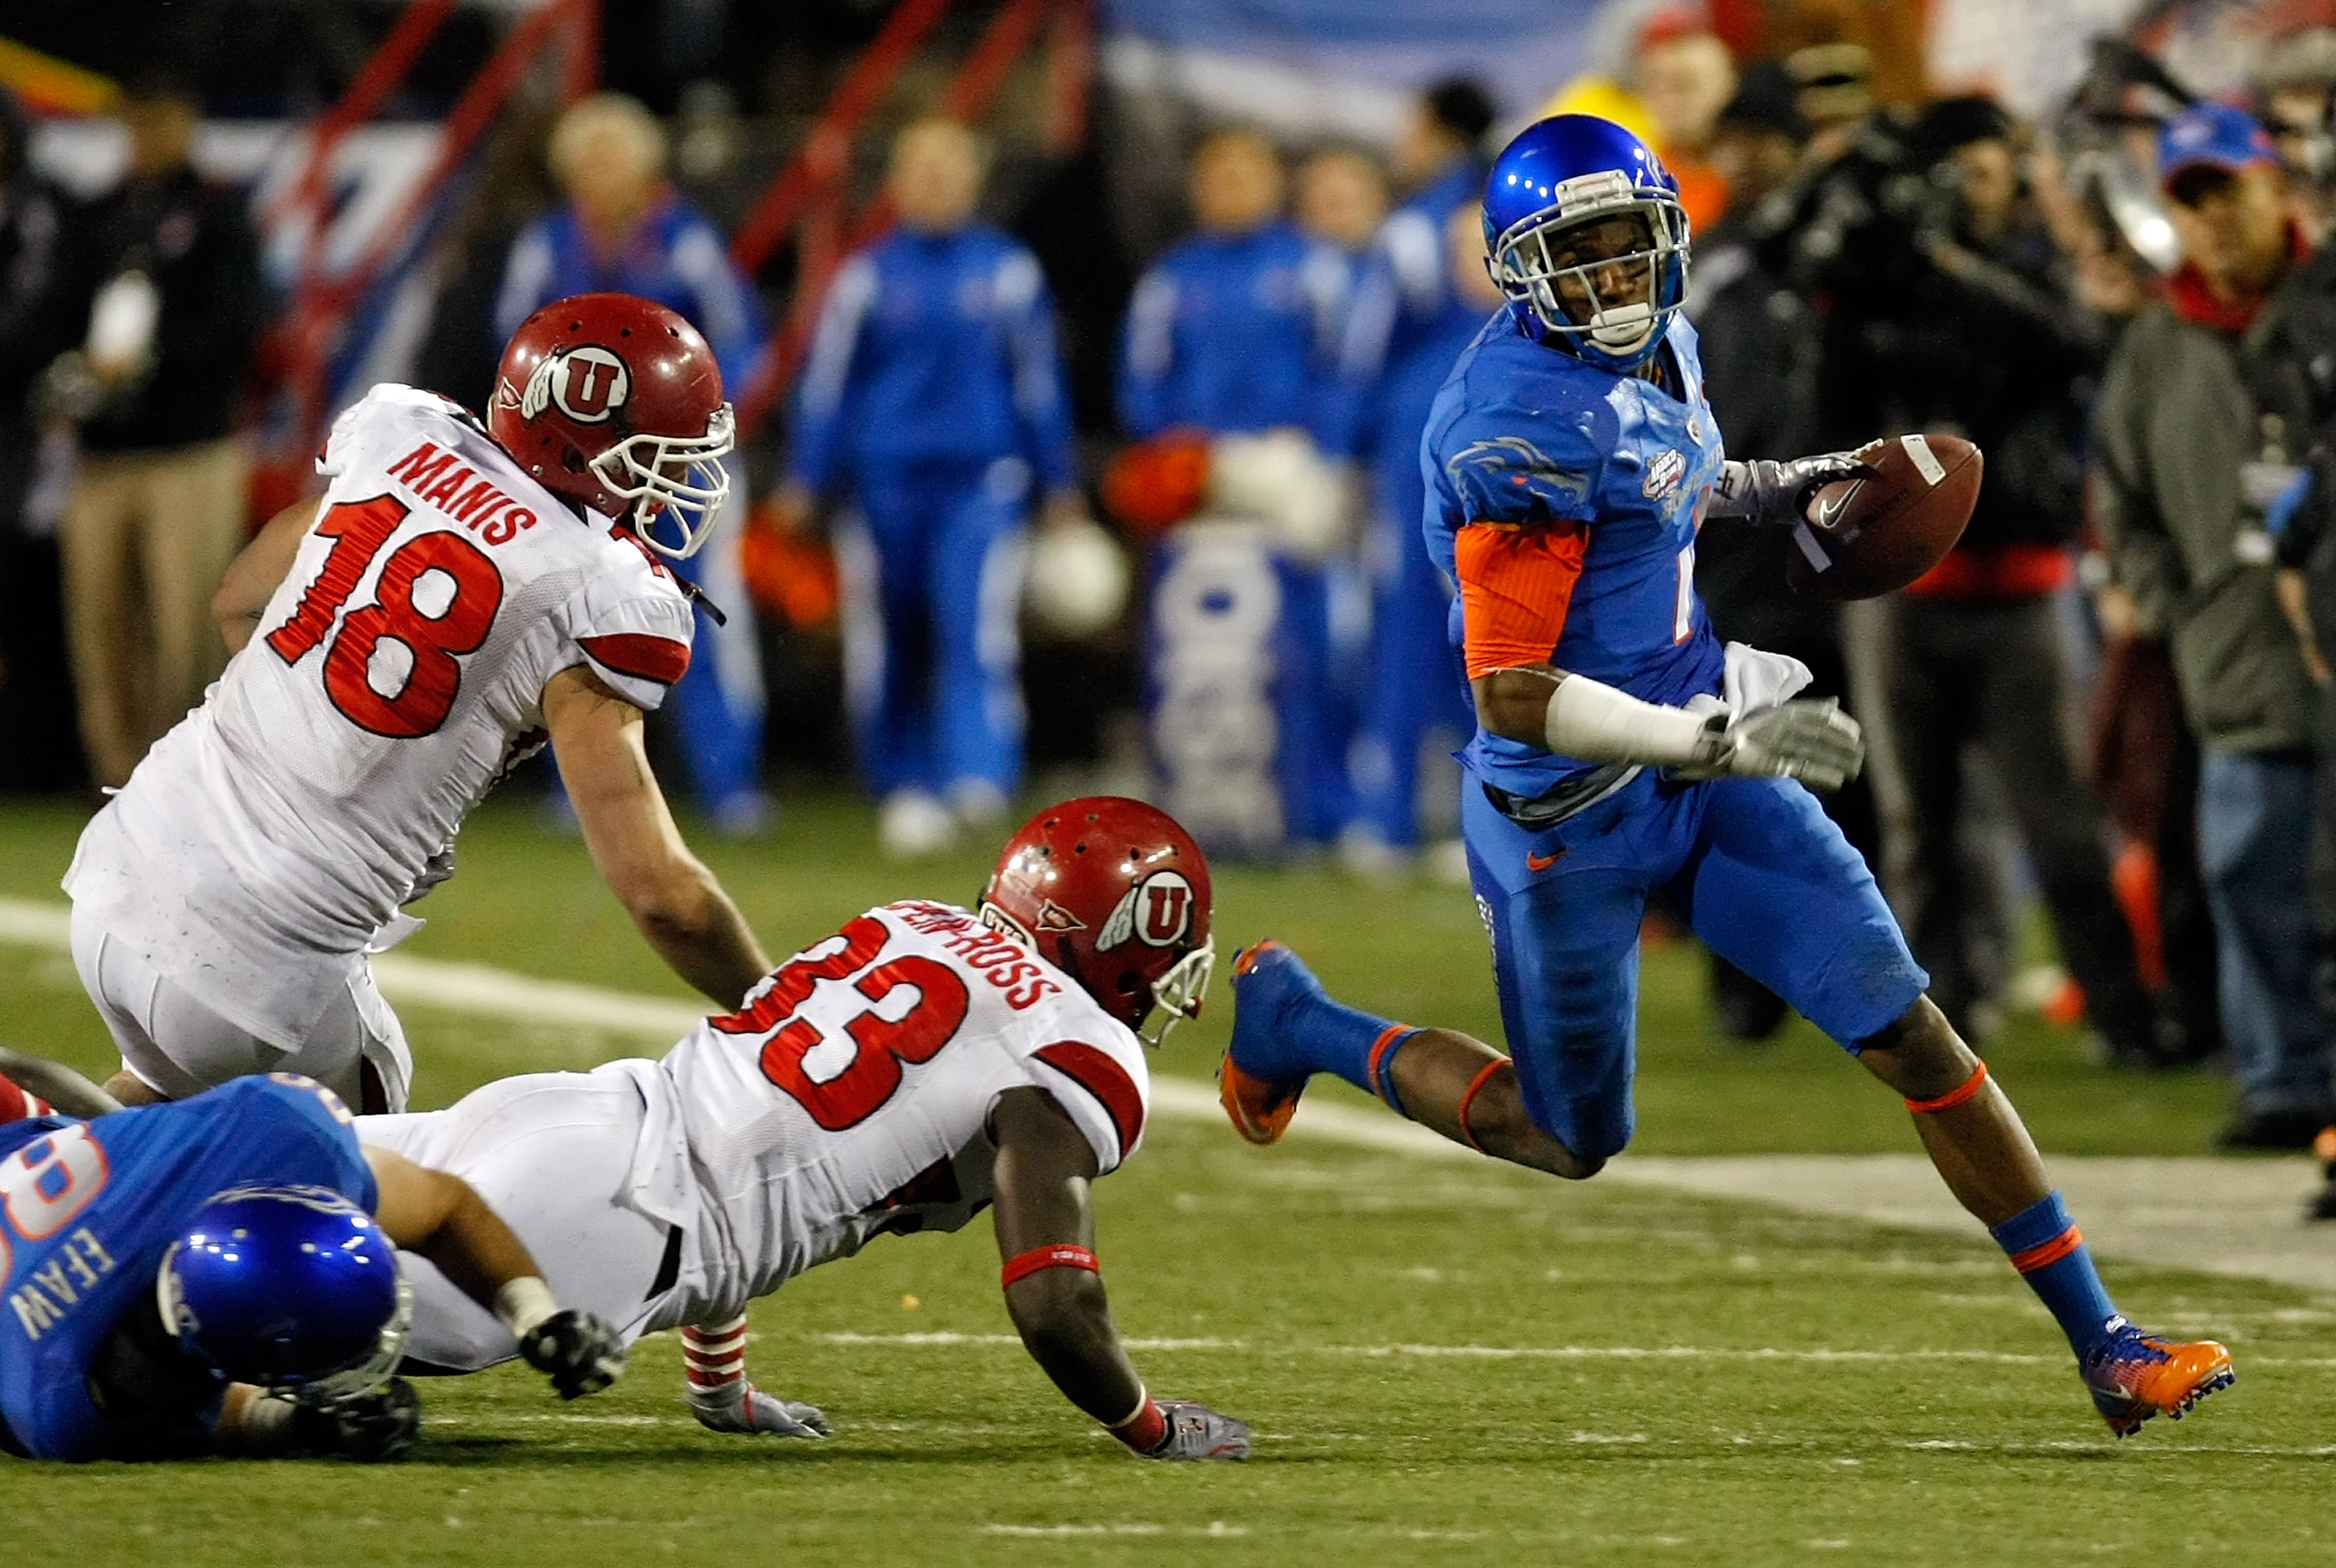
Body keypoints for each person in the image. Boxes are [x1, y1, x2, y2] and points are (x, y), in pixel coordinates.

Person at [1217, 115, 2235, 1438]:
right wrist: (1707, 737)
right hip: (1566, 815)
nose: (1614, 278)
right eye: (1576, 256)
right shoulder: (1510, 426)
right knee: (1571, 1132)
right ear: (1520, 269)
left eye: (1629, 244)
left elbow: (1677, 480)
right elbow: (1510, 689)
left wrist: (1795, 485)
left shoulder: (1662, 339)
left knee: (1912, 1028)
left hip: (1710, 764)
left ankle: (2107, 1337)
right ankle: (1298, 1019)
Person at [356, 796, 1248, 1461]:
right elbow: (1053, 1303)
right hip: (600, 1221)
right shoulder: (1074, 1045)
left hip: (568, 1112)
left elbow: (754, 1125)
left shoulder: (915, 923)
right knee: (263, 1333)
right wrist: (1153, 1427)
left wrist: (720, 1384)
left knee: (256, 1184)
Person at [63, 294, 772, 1118]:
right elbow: (663, 897)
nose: (683, 475)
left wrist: (318, 734)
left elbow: (239, 603)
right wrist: (777, 1007)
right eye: (665, 452)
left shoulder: (407, 443)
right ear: (591, 442)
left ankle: (35, 1174)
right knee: (385, 1199)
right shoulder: (595, 588)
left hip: (123, 867)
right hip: (256, 959)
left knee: (153, 1107)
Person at [1852, 98, 2165, 1068]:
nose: (1973, 191)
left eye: (1984, 170)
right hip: (1906, 591)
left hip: (2022, 584)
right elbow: (1842, 386)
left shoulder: (2033, 266)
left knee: (2062, 819)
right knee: (1919, 828)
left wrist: (1948, 265)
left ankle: (2121, 1013)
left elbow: (2065, 341)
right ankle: (1941, 1017)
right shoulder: (1886, 273)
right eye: (1957, 173)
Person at [2094, 102, 2332, 1148]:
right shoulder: (2156, 343)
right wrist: (2167, 600)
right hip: (2230, 644)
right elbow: (2122, 490)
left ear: (2277, 186)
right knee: (2247, 871)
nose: (2215, 221)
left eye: (2229, 192)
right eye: (2192, 202)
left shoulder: (2323, 308)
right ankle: (2282, 1082)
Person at [0, 1069, 623, 1461]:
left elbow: (442, 1206)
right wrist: (300, 1425)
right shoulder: (61, 1399)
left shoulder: (280, 1144)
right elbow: (199, 1413)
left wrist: (536, 1315)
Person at [782, 118, 1083, 860]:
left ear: (974, 180)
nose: (936, 183)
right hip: (883, 485)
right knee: (887, 639)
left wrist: (1061, 480)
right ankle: (901, 784)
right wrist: (805, 478)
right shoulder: (866, 275)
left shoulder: (1008, 271)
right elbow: (827, 387)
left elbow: (1038, 382)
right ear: (898, 183)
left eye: (950, 169)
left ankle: (978, 779)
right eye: (921, 169)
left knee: (974, 627)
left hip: (982, 482)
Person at [496, 92, 771, 835]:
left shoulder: (686, 241)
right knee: (571, 624)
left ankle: (730, 783)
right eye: (590, 155)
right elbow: (514, 353)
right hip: (579, 470)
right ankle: (578, 786)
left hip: (679, 465)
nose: (603, 169)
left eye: (616, 153)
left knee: (709, 614)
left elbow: (742, 338)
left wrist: (707, 420)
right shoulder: (548, 244)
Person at [1681, 62, 1877, 1041]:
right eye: (1733, 144)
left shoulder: (1839, 257)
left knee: (1853, 768)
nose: (1745, 162)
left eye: (1762, 143)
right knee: (1743, 761)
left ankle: (1871, 973)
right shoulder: (1707, 260)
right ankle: (1746, 990)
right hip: (1735, 551)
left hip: (1838, 542)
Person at [1121, 128, 1353, 847]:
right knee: (1192, 647)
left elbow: (1345, 366)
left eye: (1246, 174)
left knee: (1305, 648)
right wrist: (1178, 453)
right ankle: (1193, 807)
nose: (1232, 189)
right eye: (1218, 176)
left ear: (1272, 183)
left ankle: (1310, 811)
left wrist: (1313, 447)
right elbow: (1140, 379)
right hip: (1201, 490)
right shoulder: (1173, 278)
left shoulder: (1315, 269)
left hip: (1287, 486)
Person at [49, 66, 266, 789]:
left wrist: (149, 360)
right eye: (135, 121)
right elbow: (54, 315)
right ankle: (118, 784)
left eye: (158, 119)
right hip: (104, 454)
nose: (145, 136)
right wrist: (73, 376)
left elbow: (242, 328)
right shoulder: (100, 214)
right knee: (103, 634)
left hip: (189, 449)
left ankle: (197, 784)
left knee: (189, 631)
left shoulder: (220, 213)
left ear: (187, 120)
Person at [0, 87, 81, 791]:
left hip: (23, 434)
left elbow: (35, 321)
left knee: (26, 593)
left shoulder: (39, 209)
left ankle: (31, 761)